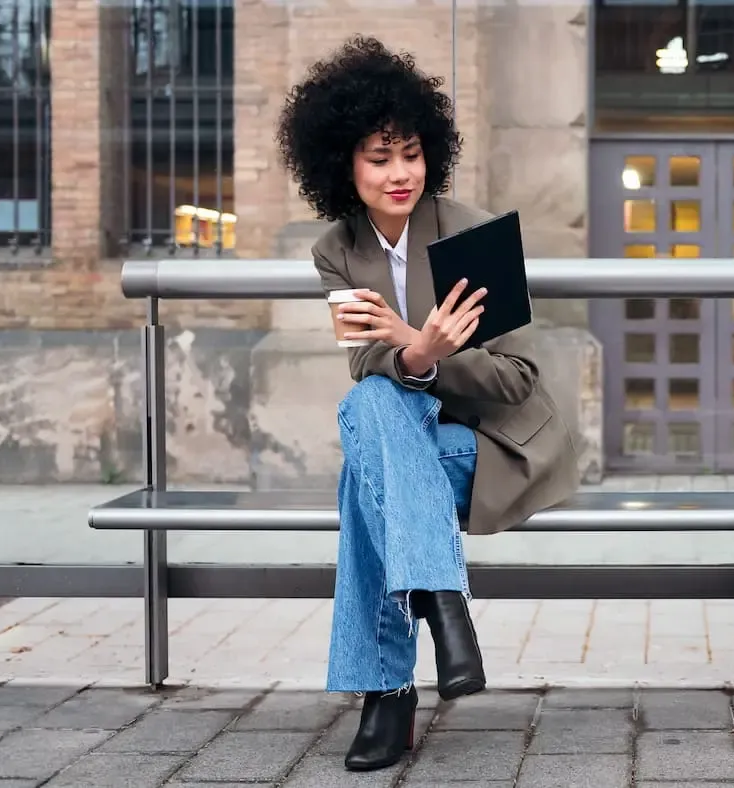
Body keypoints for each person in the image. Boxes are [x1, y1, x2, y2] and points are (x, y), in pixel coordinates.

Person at [275, 36, 581, 772]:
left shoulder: (471, 233)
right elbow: (372, 363)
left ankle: (389, 693)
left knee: (365, 462)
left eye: (410, 154)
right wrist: (419, 351)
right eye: (379, 159)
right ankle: (441, 600)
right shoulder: (337, 251)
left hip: (499, 444)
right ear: (343, 166)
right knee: (375, 409)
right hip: (416, 452)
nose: (400, 173)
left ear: (431, 154)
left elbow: (517, 380)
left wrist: (429, 353)